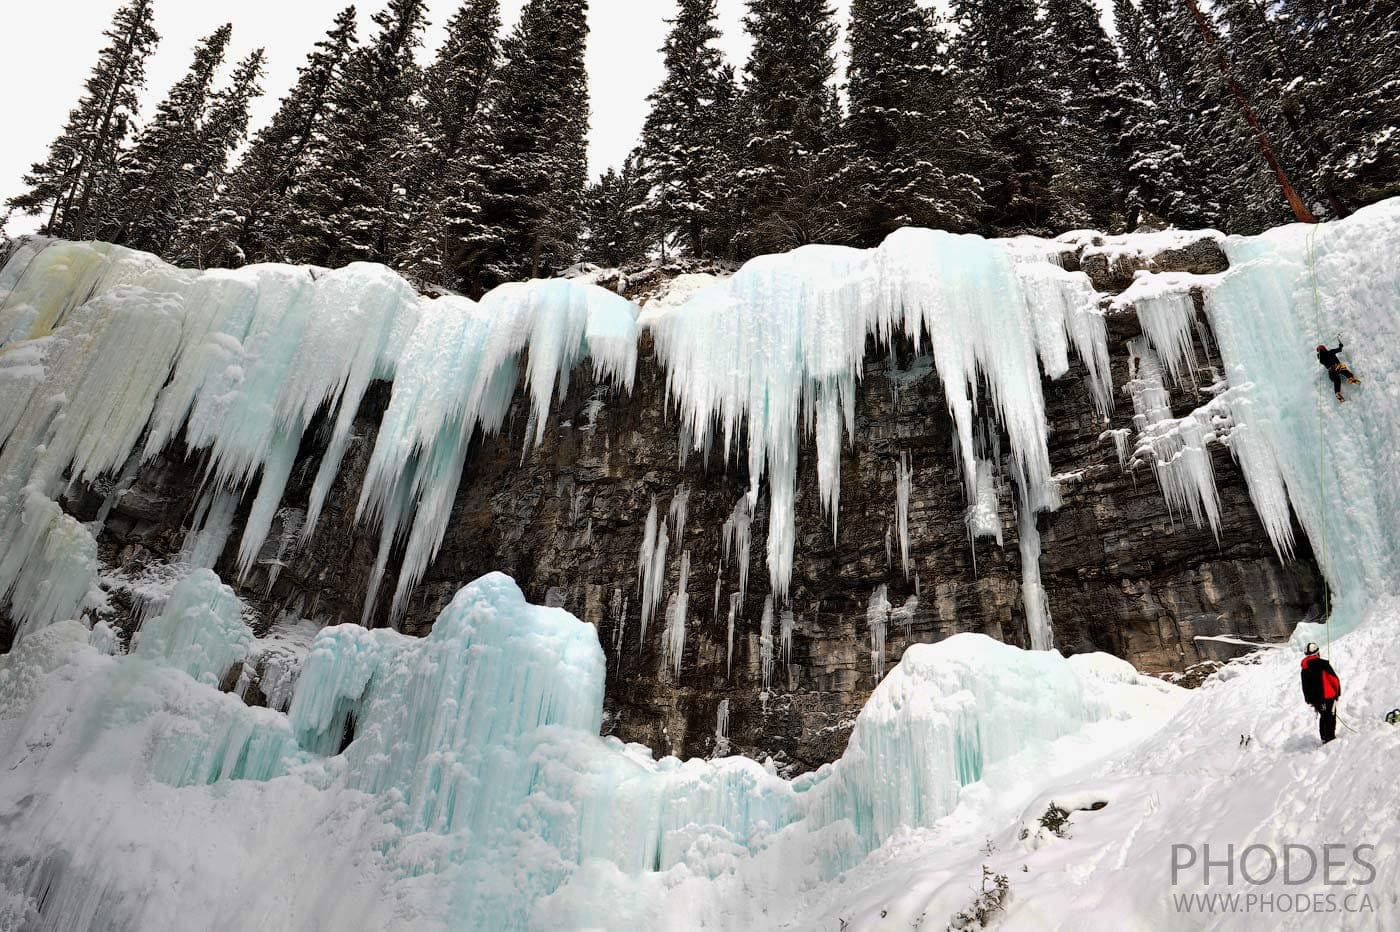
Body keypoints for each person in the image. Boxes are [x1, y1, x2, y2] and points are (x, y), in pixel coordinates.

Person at [1300, 643, 1342, 743]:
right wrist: (1337, 692)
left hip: (1316, 699)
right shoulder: (1323, 664)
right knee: (1330, 716)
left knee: (1323, 716)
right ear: (1317, 652)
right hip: (1328, 696)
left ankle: (1324, 737)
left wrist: (1310, 699)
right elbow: (1334, 680)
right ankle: (1330, 738)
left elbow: (1305, 686)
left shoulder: (1304, 668)